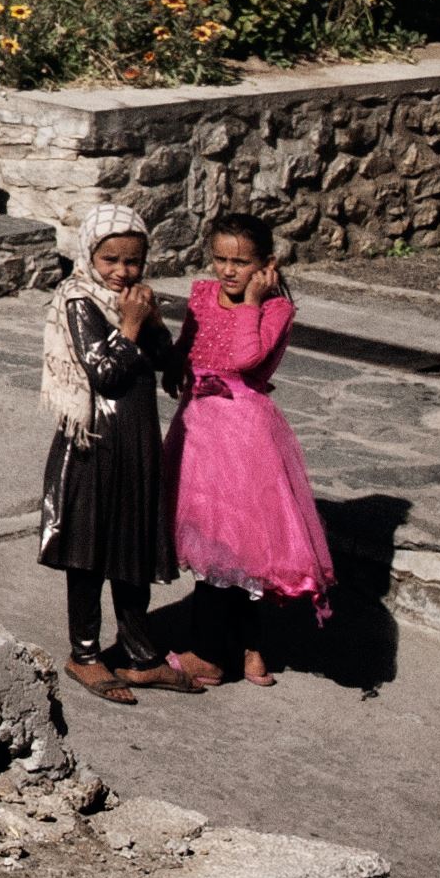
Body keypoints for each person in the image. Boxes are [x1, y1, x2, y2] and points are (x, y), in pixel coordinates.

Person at [39, 203, 199, 703]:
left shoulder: (133, 299)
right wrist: (130, 325)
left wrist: (153, 328)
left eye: (133, 261)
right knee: (88, 549)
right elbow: (104, 374)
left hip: (136, 438)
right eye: (110, 260)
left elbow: (159, 361)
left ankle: (138, 654)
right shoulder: (78, 300)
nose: (122, 271)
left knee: (132, 543)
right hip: (93, 443)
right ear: (89, 256)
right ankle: (84, 653)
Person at [172, 210, 332, 686]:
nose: (227, 271)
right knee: (214, 542)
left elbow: (246, 359)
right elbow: (189, 341)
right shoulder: (202, 293)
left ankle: (207, 655)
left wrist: (253, 302)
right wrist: (175, 367)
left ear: (267, 264)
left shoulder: (276, 309)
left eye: (241, 262)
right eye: (220, 259)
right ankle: (251, 650)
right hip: (198, 426)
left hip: (241, 435)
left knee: (236, 547)